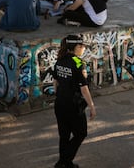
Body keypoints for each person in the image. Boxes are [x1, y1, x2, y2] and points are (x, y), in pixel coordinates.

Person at [52, 34, 96, 168]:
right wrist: (92, 106)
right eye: (80, 45)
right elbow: (84, 89)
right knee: (81, 133)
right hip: (73, 106)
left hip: (60, 104)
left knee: (64, 136)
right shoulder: (78, 63)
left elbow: (55, 83)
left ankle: (65, 163)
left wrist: (61, 95)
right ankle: (64, 161)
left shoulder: (59, 60)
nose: (83, 48)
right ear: (73, 47)